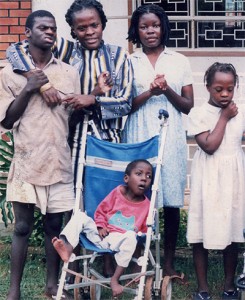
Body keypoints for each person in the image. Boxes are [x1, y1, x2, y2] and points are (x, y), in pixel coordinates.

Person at [6, 1, 134, 276]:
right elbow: (15, 49)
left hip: (105, 140)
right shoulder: (66, 51)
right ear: (73, 32)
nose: (89, 32)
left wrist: (94, 98)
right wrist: (41, 82)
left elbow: (125, 102)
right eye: (81, 28)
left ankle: (108, 264)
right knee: (71, 207)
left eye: (94, 25)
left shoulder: (118, 55)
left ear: (103, 24)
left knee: (104, 201)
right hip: (68, 141)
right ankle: (77, 272)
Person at [0, 10, 81, 300]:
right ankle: (13, 291)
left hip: (59, 160)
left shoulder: (69, 72)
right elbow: (7, 121)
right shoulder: (9, 74)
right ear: (28, 33)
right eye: (43, 28)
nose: (49, 32)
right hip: (26, 160)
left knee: (53, 227)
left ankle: (51, 287)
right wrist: (30, 88)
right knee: (21, 226)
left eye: (53, 29)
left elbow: (72, 118)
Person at [121, 4, 194, 280]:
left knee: (172, 200)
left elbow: (187, 105)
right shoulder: (129, 62)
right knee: (139, 195)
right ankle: (138, 259)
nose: (150, 31)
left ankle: (169, 262)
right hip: (139, 134)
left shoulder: (179, 60)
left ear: (163, 27)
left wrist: (167, 90)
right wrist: (150, 92)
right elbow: (124, 106)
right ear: (136, 31)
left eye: (155, 25)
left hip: (170, 134)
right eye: (144, 26)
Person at [52, 159, 153, 297]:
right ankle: (67, 247)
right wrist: (100, 226)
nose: (144, 179)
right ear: (126, 178)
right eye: (139, 174)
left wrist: (142, 237)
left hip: (121, 240)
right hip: (102, 235)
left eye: (148, 176)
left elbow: (144, 231)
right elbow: (101, 211)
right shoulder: (118, 192)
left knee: (131, 236)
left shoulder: (147, 206)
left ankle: (115, 279)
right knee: (80, 216)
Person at [187, 62, 245, 300]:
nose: (224, 94)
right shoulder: (198, 114)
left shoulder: (240, 111)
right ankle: (203, 288)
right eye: (218, 89)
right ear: (207, 87)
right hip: (208, 177)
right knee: (201, 231)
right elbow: (209, 146)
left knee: (232, 229)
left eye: (230, 89)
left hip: (234, 176)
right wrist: (223, 116)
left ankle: (229, 286)